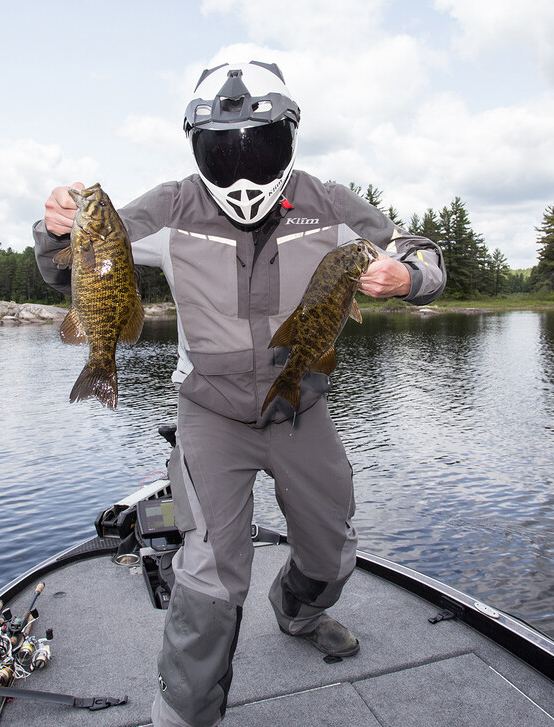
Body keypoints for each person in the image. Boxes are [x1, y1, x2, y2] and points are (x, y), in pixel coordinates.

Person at [32, 61, 446, 727]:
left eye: (257, 145)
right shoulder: (170, 206)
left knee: (332, 548)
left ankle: (299, 610)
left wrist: (409, 276)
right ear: (197, 143)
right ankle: (182, 715)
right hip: (210, 416)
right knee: (208, 577)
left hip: (301, 407)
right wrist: (55, 229)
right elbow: (76, 264)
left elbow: (423, 251)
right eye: (222, 149)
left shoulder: (332, 204)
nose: (240, 165)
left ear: (288, 137)